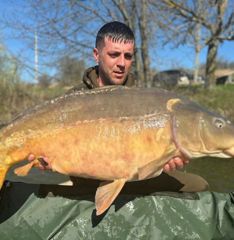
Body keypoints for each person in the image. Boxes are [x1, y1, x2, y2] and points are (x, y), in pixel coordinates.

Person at [69, 21, 209, 192]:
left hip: (136, 178)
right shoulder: (75, 97)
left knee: (199, 185)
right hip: (88, 180)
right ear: (97, 55)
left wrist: (165, 157)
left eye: (128, 56)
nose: (122, 63)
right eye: (114, 55)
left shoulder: (143, 98)